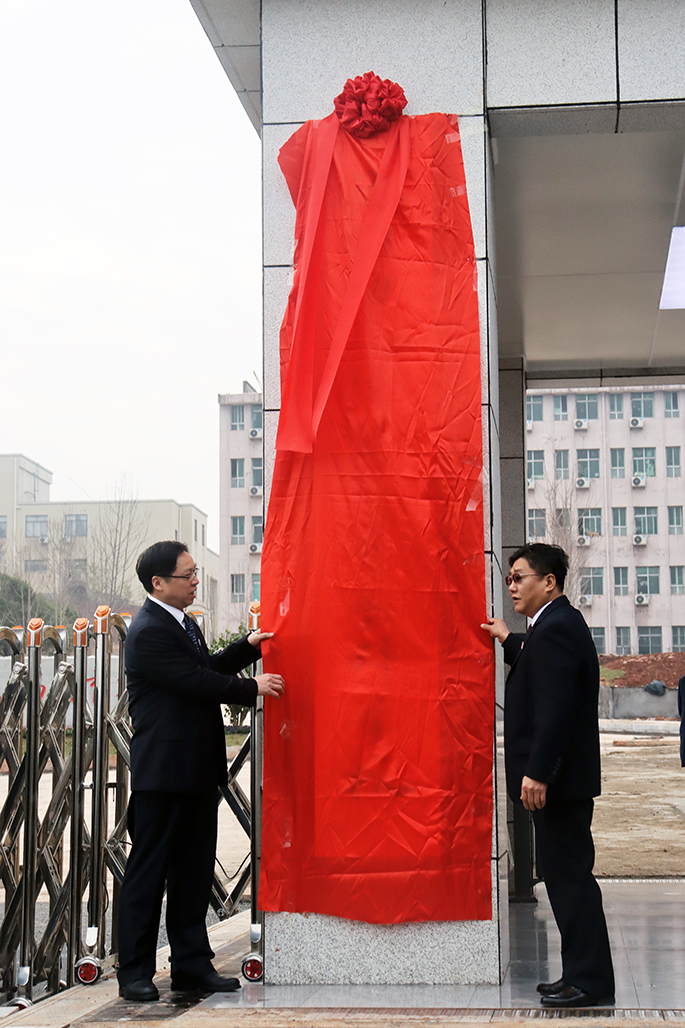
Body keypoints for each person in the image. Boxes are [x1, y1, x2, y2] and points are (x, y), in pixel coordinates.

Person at [117, 540, 284, 1002]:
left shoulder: (182, 622)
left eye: (194, 573)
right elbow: (193, 682)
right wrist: (251, 688)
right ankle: (134, 972)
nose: (195, 581)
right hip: (162, 774)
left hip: (194, 770)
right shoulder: (148, 630)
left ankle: (190, 965)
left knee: (193, 873)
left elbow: (205, 667)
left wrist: (246, 648)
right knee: (148, 874)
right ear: (158, 583)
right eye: (187, 575)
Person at [481, 543, 614, 1009]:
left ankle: (591, 982)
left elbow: (555, 710)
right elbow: (536, 660)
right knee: (562, 878)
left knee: (570, 879)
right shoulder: (552, 625)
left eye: (519, 577)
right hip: (562, 783)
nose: (511, 587)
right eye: (510, 579)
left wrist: (538, 773)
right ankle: (579, 974)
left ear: (549, 582)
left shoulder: (556, 628)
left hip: (558, 784)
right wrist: (507, 638)